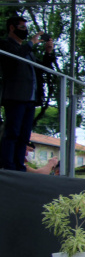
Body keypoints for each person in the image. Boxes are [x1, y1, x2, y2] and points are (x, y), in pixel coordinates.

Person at [0, 16, 55, 171]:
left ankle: (18, 165)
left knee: (24, 134)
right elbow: (15, 58)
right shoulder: (5, 44)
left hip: (30, 99)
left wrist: (48, 52)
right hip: (15, 96)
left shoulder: (28, 52)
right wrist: (31, 43)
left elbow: (42, 67)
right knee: (13, 132)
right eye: (22, 27)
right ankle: (8, 164)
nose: (26, 31)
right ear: (12, 27)